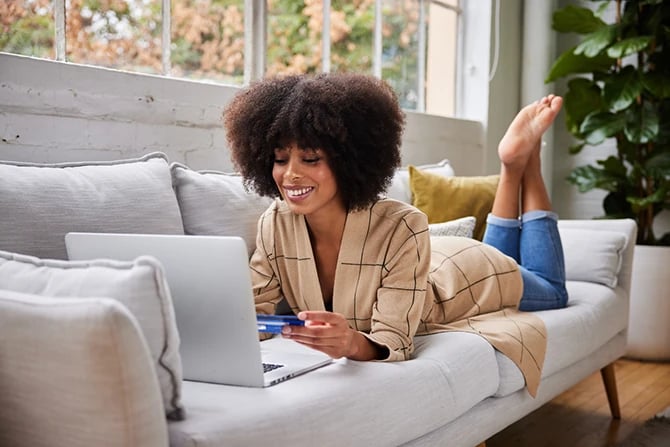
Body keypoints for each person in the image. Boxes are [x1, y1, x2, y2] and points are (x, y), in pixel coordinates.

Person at [223, 72, 567, 395]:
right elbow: (252, 311)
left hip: (467, 277)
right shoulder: (276, 222)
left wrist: (351, 343)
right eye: (280, 159)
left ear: (347, 161)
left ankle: (526, 164)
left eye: (310, 159)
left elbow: (396, 340)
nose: (291, 174)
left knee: (551, 289)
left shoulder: (402, 224)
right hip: (433, 256)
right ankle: (513, 167)